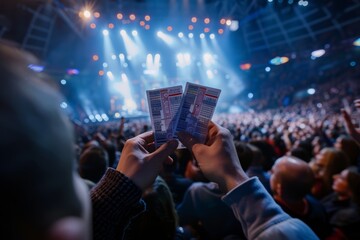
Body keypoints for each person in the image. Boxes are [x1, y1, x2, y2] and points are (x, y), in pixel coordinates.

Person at [177, 121, 319, 240]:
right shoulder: (314, 207)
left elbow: (179, 218)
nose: (269, 173)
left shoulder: (197, 191)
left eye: (273, 172)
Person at [269, 156, 331, 239]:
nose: (269, 173)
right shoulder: (318, 207)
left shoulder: (270, 215)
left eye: (273, 172)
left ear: (279, 188)